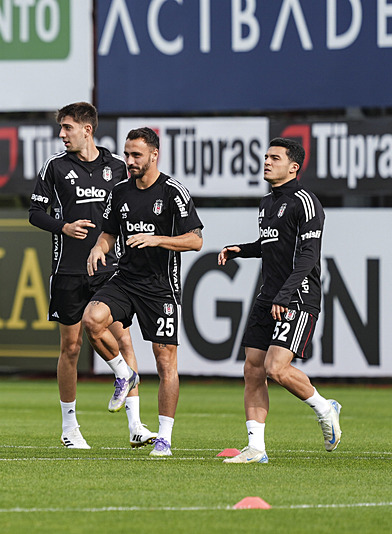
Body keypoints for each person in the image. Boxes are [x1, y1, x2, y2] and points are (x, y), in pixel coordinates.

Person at [29, 102, 155, 449]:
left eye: (67, 127)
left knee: (124, 340)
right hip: (67, 270)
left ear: (87, 129)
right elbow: (35, 213)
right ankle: (69, 428)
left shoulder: (117, 167)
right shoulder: (55, 167)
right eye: (61, 127)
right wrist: (63, 226)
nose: (61, 134)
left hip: (110, 270)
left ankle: (136, 425)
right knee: (71, 347)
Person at [218, 138, 341, 464]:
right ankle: (256, 448)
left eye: (275, 158)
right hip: (268, 296)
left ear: (293, 167)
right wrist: (241, 250)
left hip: (297, 296)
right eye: (266, 156)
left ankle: (325, 408)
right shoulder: (266, 203)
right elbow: (270, 244)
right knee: (253, 369)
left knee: (276, 368)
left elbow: (309, 256)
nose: (267, 162)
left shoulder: (306, 202)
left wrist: (285, 295)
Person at [83, 127, 203, 457]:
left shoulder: (173, 191)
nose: (130, 160)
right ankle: (125, 374)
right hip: (126, 279)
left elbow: (196, 240)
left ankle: (164, 438)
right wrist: (98, 248)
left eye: (136, 155)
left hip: (160, 287)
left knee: (165, 363)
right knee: (92, 320)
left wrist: (157, 239)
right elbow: (108, 234)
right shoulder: (120, 192)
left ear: (154, 155)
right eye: (127, 154)